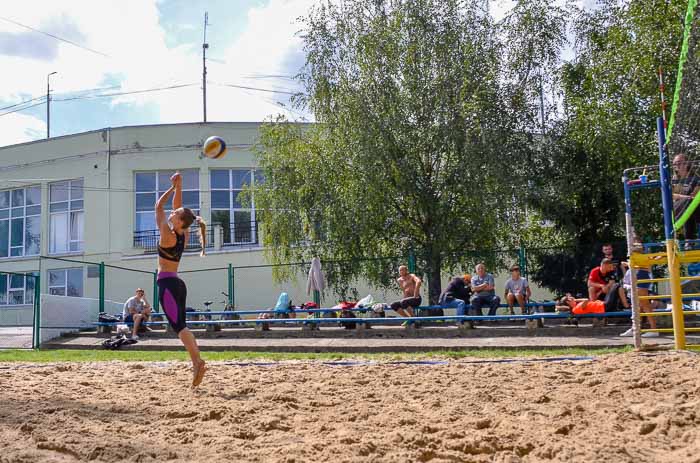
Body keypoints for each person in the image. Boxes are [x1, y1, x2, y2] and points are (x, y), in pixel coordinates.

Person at [155, 172, 207, 388]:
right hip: (178, 283)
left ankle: (197, 362)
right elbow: (179, 208)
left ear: (178, 221)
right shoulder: (183, 233)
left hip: (167, 285)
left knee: (179, 328)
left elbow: (159, 207)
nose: (172, 213)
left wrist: (170, 189)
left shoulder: (168, 234)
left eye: (175, 213)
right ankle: (196, 361)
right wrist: (179, 185)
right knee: (182, 326)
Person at [619, 265, 659, 338]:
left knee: (645, 305)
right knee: (638, 306)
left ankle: (654, 329)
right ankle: (635, 329)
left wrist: (629, 264)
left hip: (641, 274)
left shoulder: (641, 256)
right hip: (637, 274)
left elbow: (645, 265)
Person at [672, 153, 700, 246]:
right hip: (678, 209)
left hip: (693, 208)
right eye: (675, 163)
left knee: (690, 204)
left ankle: (689, 240)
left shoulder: (695, 178)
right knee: (688, 203)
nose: (678, 165)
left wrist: (681, 196)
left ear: (687, 164)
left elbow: (695, 195)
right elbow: (671, 196)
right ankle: (688, 239)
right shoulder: (673, 180)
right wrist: (684, 197)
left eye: (680, 163)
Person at [559, 283, 630, 315]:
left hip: (604, 304)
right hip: (605, 306)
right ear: (568, 302)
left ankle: (625, 305)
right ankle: (626, 306)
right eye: (570, 299)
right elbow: (586, 300)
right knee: (616, 285)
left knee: (615, 286)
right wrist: (575, 300)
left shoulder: (576, 307)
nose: (572, 298)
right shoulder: (575, 309)